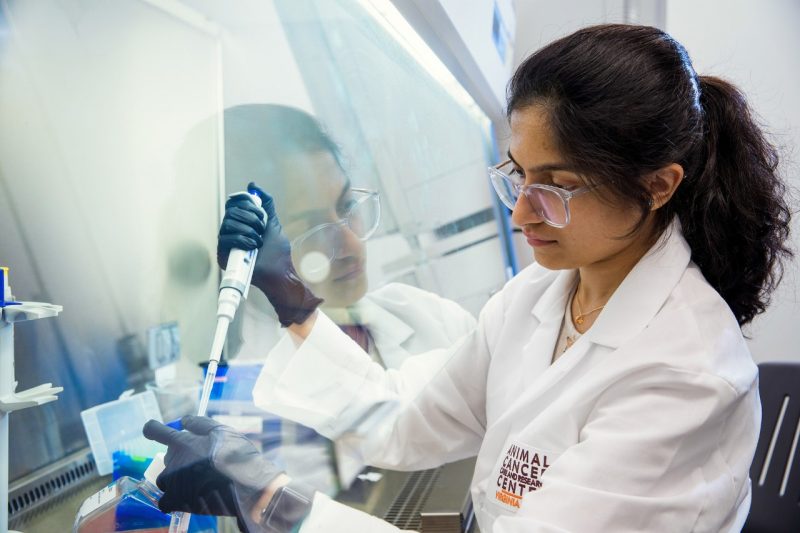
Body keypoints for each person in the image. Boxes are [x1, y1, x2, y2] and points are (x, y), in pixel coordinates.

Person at [144, 24, 793, 532]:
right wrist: (292, 299)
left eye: (557, 187)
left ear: (656, 187)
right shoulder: (540, 294)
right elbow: (404, 420)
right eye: (517, 173)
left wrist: (271, 497)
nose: (520, 211)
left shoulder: (689, 374)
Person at [205, 104, 477, 492]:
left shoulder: (426, 314)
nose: (350, 244)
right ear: (253, 252)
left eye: (348, 207)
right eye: (312, 228)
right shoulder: (246, 399)